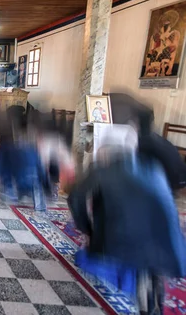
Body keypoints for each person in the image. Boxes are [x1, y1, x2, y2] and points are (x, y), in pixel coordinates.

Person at [69, 125, 186, 314]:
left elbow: (76, 199)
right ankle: (149, 295)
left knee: (111, 255)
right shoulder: (153, 168)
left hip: (123, 238)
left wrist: (87, 230)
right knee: (144, 262)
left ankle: (139, 284)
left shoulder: (101, 170)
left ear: (105, 150)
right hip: (167, 242)